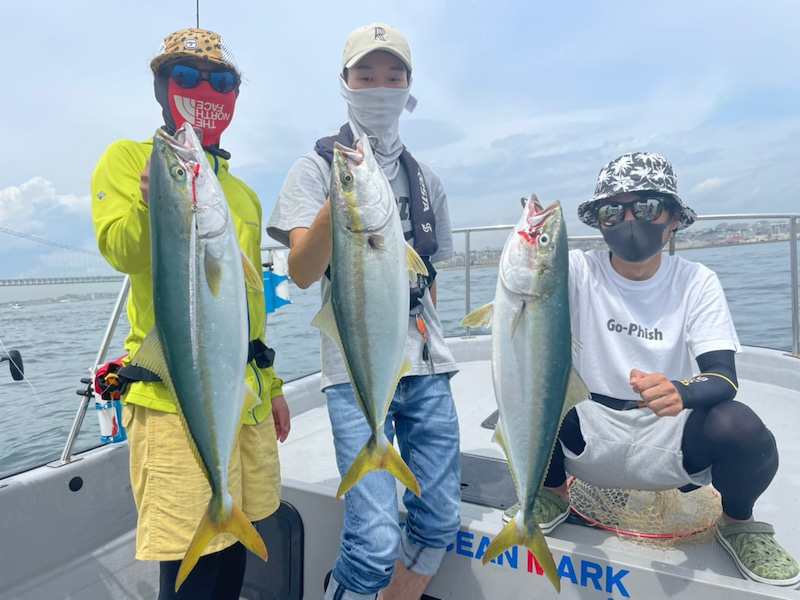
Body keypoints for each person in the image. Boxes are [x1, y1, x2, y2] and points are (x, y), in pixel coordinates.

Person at [505, 151, 799, 588]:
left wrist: (683, 391)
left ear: (674, 217)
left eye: (645, 207)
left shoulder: (697, 282)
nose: (628, 220)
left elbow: (722, 375)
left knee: (742, 429)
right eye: (611, 210)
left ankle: (739, 523)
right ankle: (552, 492)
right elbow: (529, 296)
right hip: (584, 431)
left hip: (669, 435)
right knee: (529, 387)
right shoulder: (577, 271)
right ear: (597, 222)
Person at [91, 28, 291, 600]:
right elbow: (121, 252)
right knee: (192, 566)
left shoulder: (244, 195)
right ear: (160, 86)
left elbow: (249, 308)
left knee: (233, 557)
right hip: (171, 398)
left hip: (241, 397)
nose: (205, 88)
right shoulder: (132, 159)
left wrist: (271, 383)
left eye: (221, 80)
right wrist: (157, 201)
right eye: (186, 76)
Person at [268, 22, 461, 600]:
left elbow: (432, 278)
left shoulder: (427, 180)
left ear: (408, 88)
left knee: (441, 516)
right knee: (375, 539)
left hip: (426, 365)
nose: (380, 86)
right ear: (345, 83)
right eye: (366, 75)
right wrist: (342, 195)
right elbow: (301, 273)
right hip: (355, 369)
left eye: (393, 76)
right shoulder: (315, 168)